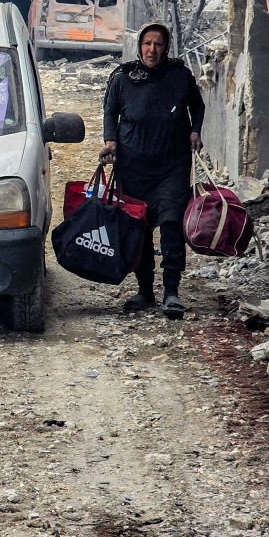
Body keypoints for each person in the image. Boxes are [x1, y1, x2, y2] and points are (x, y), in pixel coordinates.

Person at [99, 21, 205, 320]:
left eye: (158, 44)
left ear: (166, 47)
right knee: (139, 228)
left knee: (171, 224)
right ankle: (145, 290)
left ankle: (171, 291)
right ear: (139, 46)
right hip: (133, 165)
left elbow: (197, 107)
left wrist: (195, 130)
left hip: (172, 164)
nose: (152, 49)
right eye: (147, 43)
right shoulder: (123, 78)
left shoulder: (180, 76)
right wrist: (111, 141)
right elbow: (110, 111)